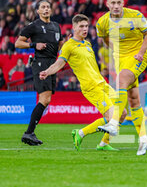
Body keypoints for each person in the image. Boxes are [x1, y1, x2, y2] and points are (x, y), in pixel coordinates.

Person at [39, 14, 126, 151]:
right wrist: (47, 72)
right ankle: (81, 133)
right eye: (81, 26)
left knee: (122, 113)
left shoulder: (87, 43)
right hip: (91, 87)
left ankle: (101, 143)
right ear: (74, 27)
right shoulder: (68, 46)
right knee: (111, 116)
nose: (85, 29)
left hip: (102, 83)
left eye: (86, 26)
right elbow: (60, 63)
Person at [95, 0, 147, 155]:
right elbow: (104, 37)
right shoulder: (102, 22)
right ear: (107, 4)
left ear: (123, 2)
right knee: (133, 100)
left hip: (137, 57)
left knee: (121, 80)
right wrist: (114, 49)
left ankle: (113, 123)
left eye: (119, 2)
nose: (116, 6)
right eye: (113, 3)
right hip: (120, 59)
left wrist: (141, 52)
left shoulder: (134, 16)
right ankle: (144, 140)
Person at [15, 0, 63, 146]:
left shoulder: (56, 26)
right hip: (41, 62)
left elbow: (59, 44)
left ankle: (30, 132)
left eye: (48, 6)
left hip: (52, 63)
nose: (46, 9)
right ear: (38, 11)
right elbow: (18, 43)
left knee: (46, 99)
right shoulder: (34, 26)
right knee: (45, 98)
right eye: (43, 7)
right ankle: (29, 132)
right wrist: (34, 45)